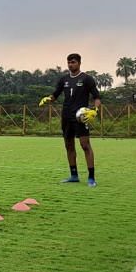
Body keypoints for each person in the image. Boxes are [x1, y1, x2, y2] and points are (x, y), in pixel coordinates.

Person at [39, 54, 102, 187]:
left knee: (85, 145)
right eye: (68, 62)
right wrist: (48, 99)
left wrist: (95, 111)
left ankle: (91, 177)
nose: (70, 65)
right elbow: (55, 95)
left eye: (73, 62)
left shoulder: (87, 79)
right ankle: (74, 175)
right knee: (69, 145)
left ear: (79, 63)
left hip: (80, 116)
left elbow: (97, 97)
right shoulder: (64, 79)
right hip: (66, 116)